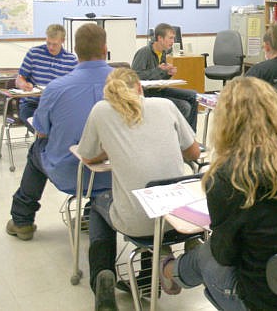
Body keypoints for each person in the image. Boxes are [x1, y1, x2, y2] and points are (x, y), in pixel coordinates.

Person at [160, 77, 277, 311]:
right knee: (209, 251)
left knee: (207, 254)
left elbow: (225, 255)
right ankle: (173, 270)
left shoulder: (227, 178)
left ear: (226, 124)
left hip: (265, 301)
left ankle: (169, 271)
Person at [77, 67, 201, 311]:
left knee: (98, 205)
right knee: (152, 194)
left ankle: (103, 274)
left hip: (141, 222)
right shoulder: (165, 105)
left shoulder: (101, 111)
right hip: (181, 218)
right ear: (140, 88)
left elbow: (88, 157)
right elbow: (194, 152)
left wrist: (111, 148)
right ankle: (150, 277)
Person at [6, 23, 112, 241]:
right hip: (114, 173)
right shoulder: (126, 84)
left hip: (70, 171)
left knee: (37, 150)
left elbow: (42, 132)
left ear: (75, 51)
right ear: (105, 49)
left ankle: (22, 220)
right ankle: (92, 214)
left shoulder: (56, 88)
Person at [131, 23, 198, 130]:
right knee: (185, 106)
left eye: (173, 38)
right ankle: (178, 137)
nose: (173, 41)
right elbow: (135, 76)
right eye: (170, 38)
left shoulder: (162, 53)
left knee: (194, 96)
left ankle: (190, 136)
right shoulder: (144, 53)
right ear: (160, 38)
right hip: (148, 93)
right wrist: (159, 70)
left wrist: (167, 73)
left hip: (159, 89)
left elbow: (159, 77)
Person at [15, 24, 77, 126]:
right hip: (33, 104)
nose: (51, 47)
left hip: (57, 105)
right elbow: (19, 79)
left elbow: (74, 87)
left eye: (55, 44)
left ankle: (47, 141)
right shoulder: (34, 53)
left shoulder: (71, 60)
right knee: (39, 125)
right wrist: (23, 85)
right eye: (48, 43)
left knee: (64, 125)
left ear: (63, 41)